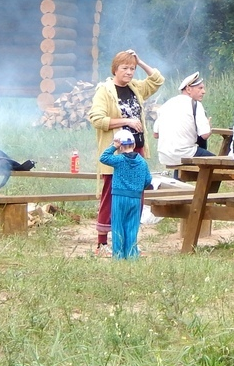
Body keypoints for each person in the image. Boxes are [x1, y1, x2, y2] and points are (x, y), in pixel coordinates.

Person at [87, 50, 164, 254]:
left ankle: (130, 240)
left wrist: (141, 61)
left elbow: (157, 80)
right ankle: (102, 242)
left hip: (136, 151)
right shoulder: (105, 90)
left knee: (136, 195)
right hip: (116, 153)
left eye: (132, 68)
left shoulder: (135, 87)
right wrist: (126, 121)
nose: (129, 72)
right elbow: (96, 118)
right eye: (125, 68)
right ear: (115, 69)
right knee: (110, 194)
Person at [99, 129, 152, 260]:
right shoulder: (142, 162)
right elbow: (148, 180)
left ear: (120, 147)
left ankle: (118, 256)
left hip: (119, 197)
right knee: (132, 227)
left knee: (118, 227)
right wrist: (138, 187)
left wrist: (113, 146)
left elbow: (103, 158)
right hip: (135, 198)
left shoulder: (119, 160)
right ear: (134, 145)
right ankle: (132, 256)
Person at [154, 72, 213, 175]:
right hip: (184, 154)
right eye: (200, 88)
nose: (204, 91)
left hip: (165, 156)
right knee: (218, 163)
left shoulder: (167, 104)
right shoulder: (195, 104)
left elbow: (156, 134)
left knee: (184, 151)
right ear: (189, 89)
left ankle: (178, 181)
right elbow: (204, 135)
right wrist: (209, 126)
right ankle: (206, 190)